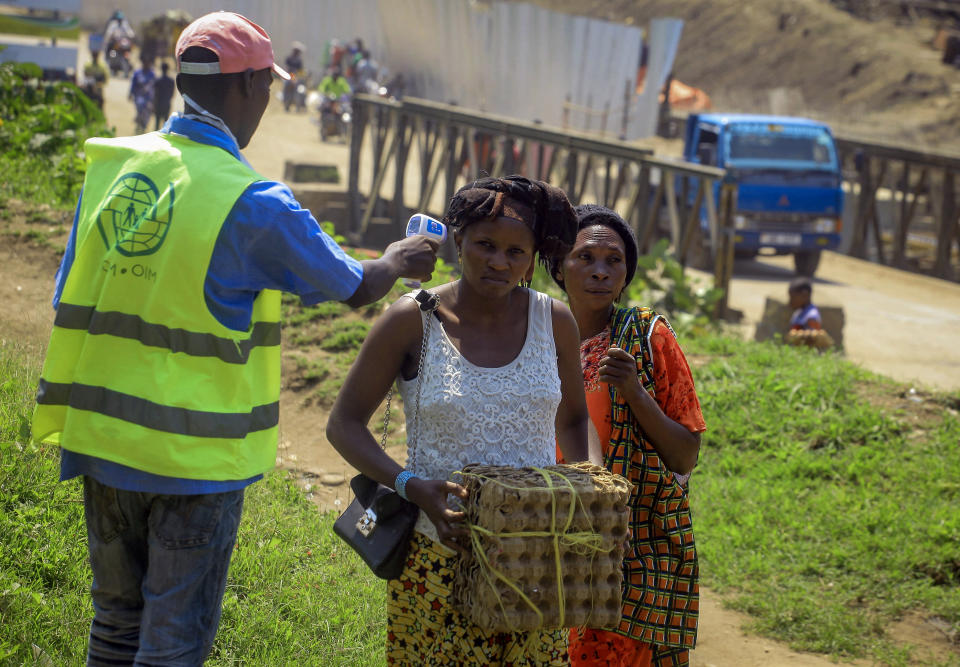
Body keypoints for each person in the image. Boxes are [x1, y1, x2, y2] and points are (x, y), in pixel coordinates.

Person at [31, 12, 438, 665]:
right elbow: (352, 285)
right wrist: (395, 259)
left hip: (101, 438)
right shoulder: (255, 202)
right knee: (172, 639)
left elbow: (66, 295)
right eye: (268, 86)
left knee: (114, 622)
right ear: (251, 87)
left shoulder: (114, 168)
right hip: (191, 461)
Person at [327, 176, 601, 665]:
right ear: (458, 240)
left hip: (535, 563)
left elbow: (575, 421)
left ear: (535, 256)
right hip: (437, 558)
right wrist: (410, 485)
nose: (500, 262)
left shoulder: (554, 321)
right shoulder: (412, 319)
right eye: (485, 245)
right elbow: (344, 424)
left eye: (517, 252)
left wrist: (585, 490)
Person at [549, 204, 706, 666]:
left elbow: (684, 456)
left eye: (613, 261)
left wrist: (634, 390)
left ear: (626, 274)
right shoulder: (534, 333)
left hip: (629, 546)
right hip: (543, 535)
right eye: (585, 257)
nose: (600, 271)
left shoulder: (647, 336)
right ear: (559, 266)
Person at [787, 276, 833, 349]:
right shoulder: (798, 312)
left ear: (804, 295)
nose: (790, 302)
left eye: (793, 297)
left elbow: (814, 338)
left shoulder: (811, 316)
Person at [129, 56, 155, 133]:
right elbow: (133, 84)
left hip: (148, 98)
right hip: (139, 96)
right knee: (139, 110)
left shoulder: (152, 74)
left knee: (147, 113)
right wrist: (130, 93)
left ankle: (143, 126)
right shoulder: (137, 73)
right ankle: (139, 125)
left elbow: (154, 86)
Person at [153, 61, 175, 130]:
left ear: (161, 69)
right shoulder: (171, 81)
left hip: (158, 104)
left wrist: (153, 105)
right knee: (166, 125)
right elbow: (172, 94)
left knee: (157, 124)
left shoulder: (158, 80)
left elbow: (155, 94)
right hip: (166, 104)